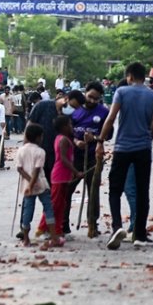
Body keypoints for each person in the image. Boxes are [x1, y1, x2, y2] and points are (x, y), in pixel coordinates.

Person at [97, 62, 153, 250]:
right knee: (143, 191)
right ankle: (140, 234)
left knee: (115, 189)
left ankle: (117, 227)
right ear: (143, 76)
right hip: (143, 149)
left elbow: (111, 119)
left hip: (122, 148)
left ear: (129, 76)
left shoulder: (122, 92)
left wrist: (100, 142)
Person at [63, 83, 108, 236]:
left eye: (96, 99)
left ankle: (92, 225)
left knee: (93, 191)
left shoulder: (103, 112)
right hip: (73, 158)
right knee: (67, 189)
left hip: (93, 158)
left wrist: (95, 138)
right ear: (85, 93)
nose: (92, 101)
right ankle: (63, 224)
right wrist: (76, 141)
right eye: (90, 97)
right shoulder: (74, 110)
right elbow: (66, 132)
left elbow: (108, 134)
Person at [40, 116, 82, 244]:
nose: (71, 127)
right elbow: (63, 159)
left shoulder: (62, 138)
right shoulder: (63, 139)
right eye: (69, 124)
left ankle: (58, 230)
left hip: (63, 175)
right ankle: (44, 228)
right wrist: (76, 172)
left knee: (61, 205)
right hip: (59, 175)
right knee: (55, 204)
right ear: (64, 127)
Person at [16, 123, 55, 247]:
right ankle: (53, 237)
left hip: (27, 186)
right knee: (48, 208)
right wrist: (34, 183)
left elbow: (20, 169)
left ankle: (26, 238)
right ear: (39, 137)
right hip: (41, 185)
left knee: (27, 211)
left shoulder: (21, 150)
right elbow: (37, 170)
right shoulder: (40, 152)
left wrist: (29, 183)